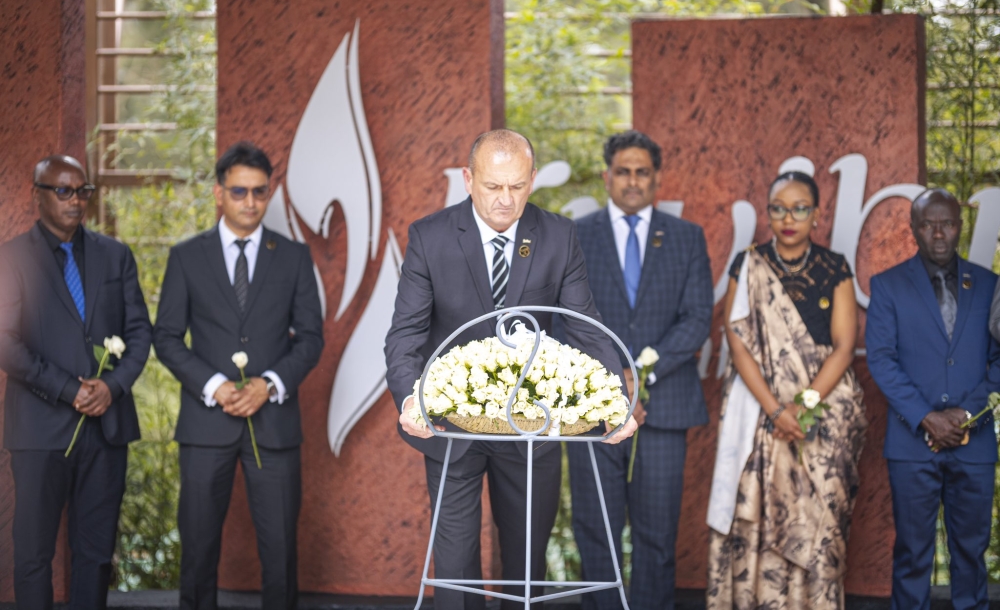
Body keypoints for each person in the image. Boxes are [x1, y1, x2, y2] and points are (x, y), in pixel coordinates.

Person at [384, 129, 637, 610]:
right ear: (467, 180)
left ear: (533, 180)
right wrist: (410, 398)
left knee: (526, 567)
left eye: (517, 187)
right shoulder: (430, 237)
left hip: (533, 424)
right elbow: (405, 335)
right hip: (451, 422)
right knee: (455, 568)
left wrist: (617, 402)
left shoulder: (559, 236)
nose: (505, 199)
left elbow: (587, 327)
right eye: (493, 186)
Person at [153, 142, 324, 610]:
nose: (250, 202)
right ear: (218, 193)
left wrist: (268, 384)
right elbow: (165, 337)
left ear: (269, 193)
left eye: (259, 192)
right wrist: (215, 386)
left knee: (281, 554)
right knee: (198, 553)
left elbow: (311, 337)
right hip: (206, 428)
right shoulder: (187, 257)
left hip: (274, 427)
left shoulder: (292, 256)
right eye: (239, 192)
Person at [706, 170, 868, 609]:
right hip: (758, 405)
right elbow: (737, 344)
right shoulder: (749, 263)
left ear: (817, 215)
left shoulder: (834, 268)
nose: (789, 217)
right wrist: (776, 411)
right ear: (769, 214)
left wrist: (803, 405)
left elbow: (844, 346)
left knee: (823, 512)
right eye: (779, 208)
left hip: (823, 406)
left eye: (800, 208)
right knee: (752, 516)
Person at [566, 130, 713, 610]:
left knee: (656, 536)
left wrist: (640, 375)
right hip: (591, 407)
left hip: (665, 406)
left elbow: (696, 318)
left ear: (657, 179)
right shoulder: (576, 236)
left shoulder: (687, 238)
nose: (632, 181)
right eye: (623, 171)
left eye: (642, 172)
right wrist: (614, 377)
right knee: (595, 529)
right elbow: (566, 318)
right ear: (608, 177)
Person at [0, 156, 152, 610]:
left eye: (82, 191)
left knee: (95, 556)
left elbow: (140, 333)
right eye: (63, 191)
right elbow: (4, 340)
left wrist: (114, 386)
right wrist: (69, 389)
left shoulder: (115, 255)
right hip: (40, 430)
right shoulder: (10, 258)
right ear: (38, 194)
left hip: (106, 431)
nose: (75, 200)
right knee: (32, 555)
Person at [866, 188, 1000, 610]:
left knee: (970, 554)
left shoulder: (990, 284)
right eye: (928, 223)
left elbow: (999, 358)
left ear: (960, 226)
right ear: (914, 228)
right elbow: (882, 360)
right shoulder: (887, 286)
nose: (938, 233)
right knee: (912, 554)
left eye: (947, 223)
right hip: (911, 445)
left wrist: (966, 414)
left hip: (973, 442)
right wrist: (927, 417)